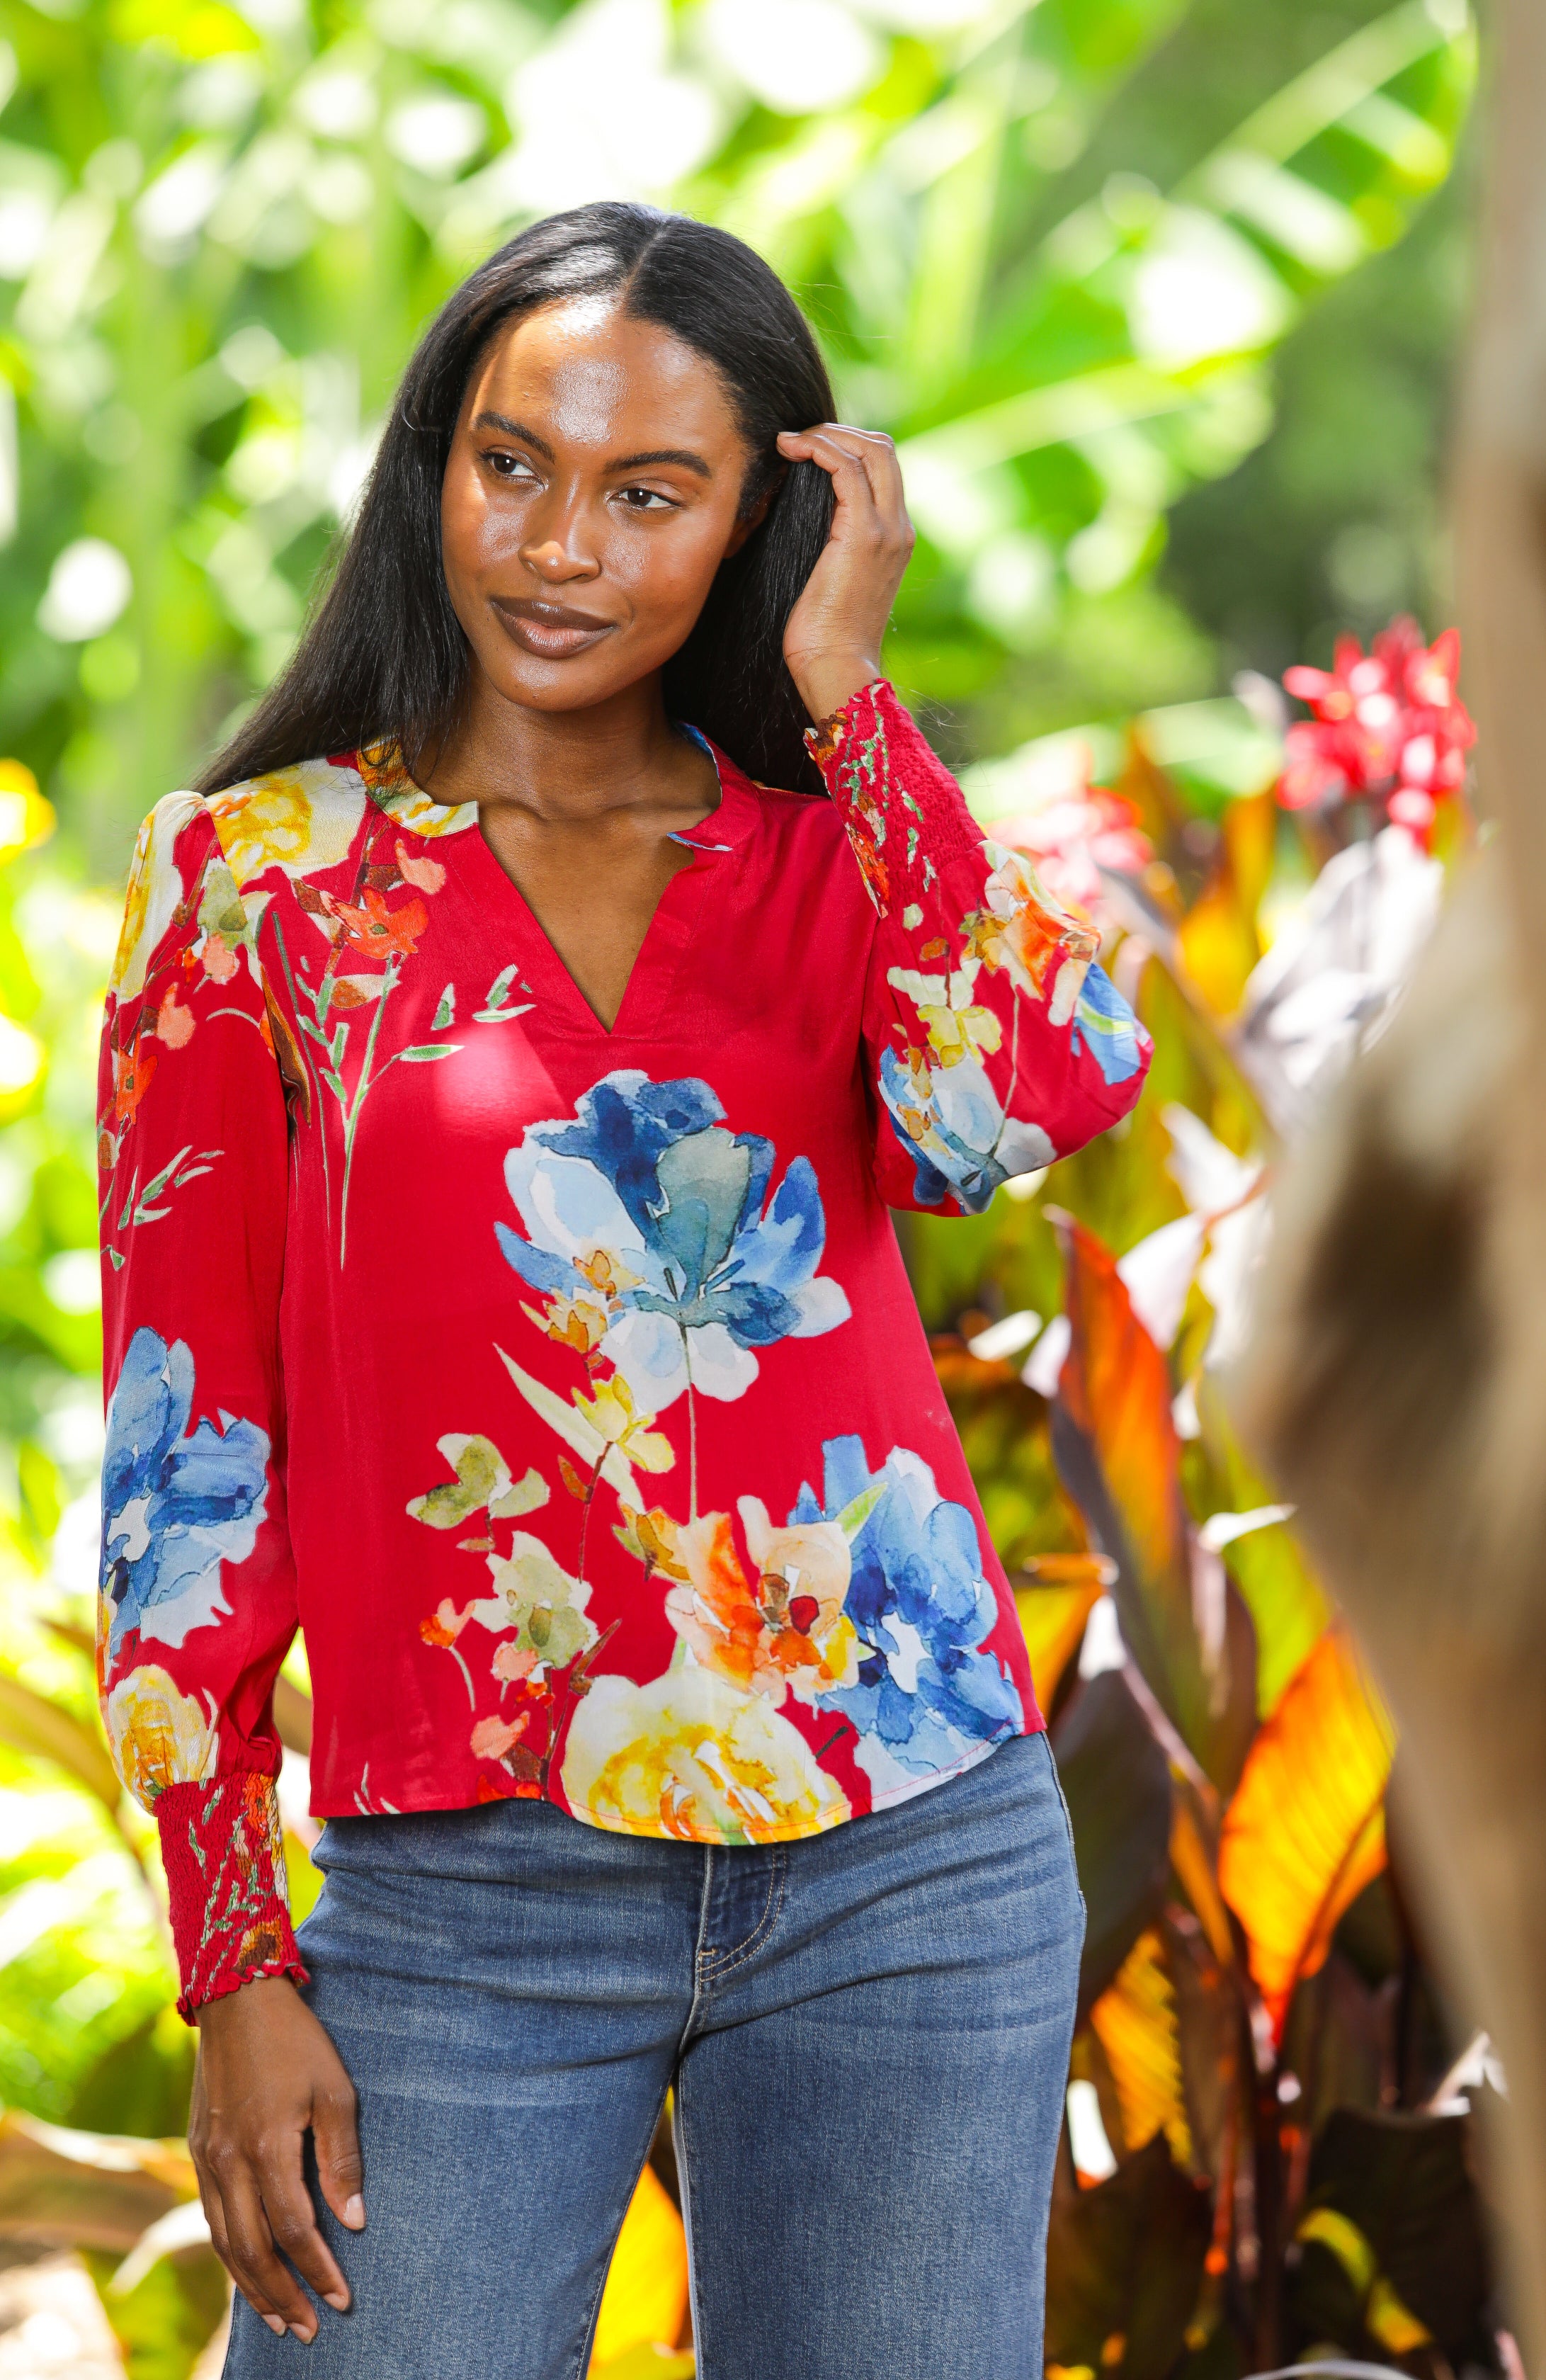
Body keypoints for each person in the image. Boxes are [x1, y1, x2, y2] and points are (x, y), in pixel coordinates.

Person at [96, 202, 1150, 2380]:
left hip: (911, 1860)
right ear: (435, 469)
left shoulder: (834, 855)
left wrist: (852, 703)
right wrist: (232, 1958)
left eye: (649, 492)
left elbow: (1022, 1098)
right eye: (512, 465)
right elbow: (185, 1449)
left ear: (765, 516)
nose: (559, 546)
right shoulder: (256, 888)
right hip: (461, 1895)